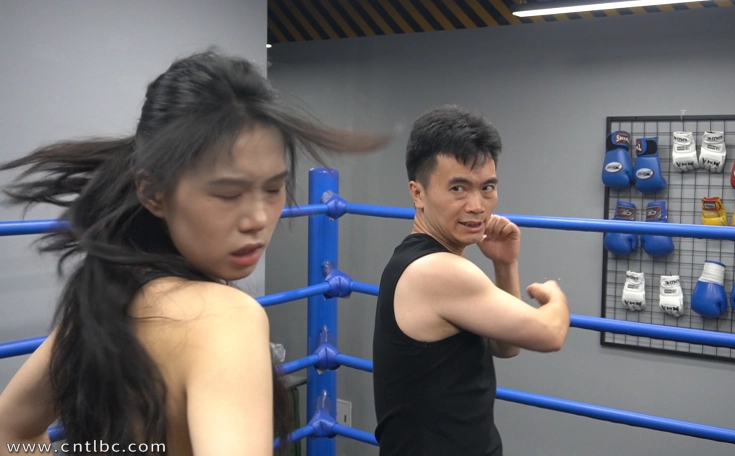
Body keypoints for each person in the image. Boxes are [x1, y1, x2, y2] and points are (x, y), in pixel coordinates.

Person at [0, 50, 387, 456]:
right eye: (228, 194)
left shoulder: (101, 301)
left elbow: (12, 432)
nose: (258, 218)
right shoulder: (225, 320)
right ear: (153, 193)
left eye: (274, 189)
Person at [372, 105, 570, 456]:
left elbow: (506, 347)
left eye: (487, 187)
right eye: (458, 188)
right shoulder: (437, 270)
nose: (477, 205)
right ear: (418, 193)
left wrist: (505, 264)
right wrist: (556, 297)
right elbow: (550, 334)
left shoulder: (419, 259)